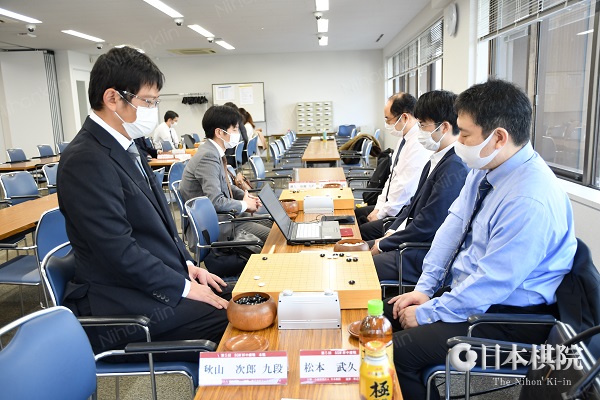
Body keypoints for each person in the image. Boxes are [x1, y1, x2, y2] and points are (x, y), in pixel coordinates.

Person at [386, 79, 577, 400]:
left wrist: (428, 312)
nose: (458, 142)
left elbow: (491, 283)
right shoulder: (487, 166)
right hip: (471, 295)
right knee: (386, 319)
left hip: (509, 321)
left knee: (397, 352)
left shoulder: (529, 199)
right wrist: (424, 289)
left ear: (498, 137)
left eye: (464, 134)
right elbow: (453, 226)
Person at [57, 46, 231, 362]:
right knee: (236, 319)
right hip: (119, 304)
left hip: (150, 284)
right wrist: (182, 287)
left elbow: (158, 225)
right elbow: (118, 251)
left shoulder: (126, 144)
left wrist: (188, 267)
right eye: (148, 101)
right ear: (112, 98)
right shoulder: (85, 159)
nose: (152, 110)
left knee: (245, 297)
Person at [368, 90, 469, 285]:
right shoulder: (436, 159)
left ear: (444, 127)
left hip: (421, 254)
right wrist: (391, 233)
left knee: (360, 265)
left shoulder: (454, 167)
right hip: (409, 242)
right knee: (356, 250)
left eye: (422, 125)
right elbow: (412, 206)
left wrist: (385, 243)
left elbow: (427, 224)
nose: (419, 130)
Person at [178, 105, 272, 248]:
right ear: (219, 132)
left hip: (226, 218)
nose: (238, 134)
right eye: (234, 129)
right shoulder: (208, 156)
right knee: (275, 237)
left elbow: (225, 186)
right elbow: (216, 201)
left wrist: (245, 196)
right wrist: (245, 205)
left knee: (273, 223)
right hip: (218, 225)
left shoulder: (213, 151)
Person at [355, 92, 433, 240]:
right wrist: (378, 207)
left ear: (404, 117)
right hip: (391, 204)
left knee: (362, 230)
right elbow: (392, 178)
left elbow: (405, 187)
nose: (386, 123)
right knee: (357, 214)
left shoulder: (418, 144)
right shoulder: (404, 139)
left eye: (388, 119)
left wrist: (381, 213)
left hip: (401, 211)